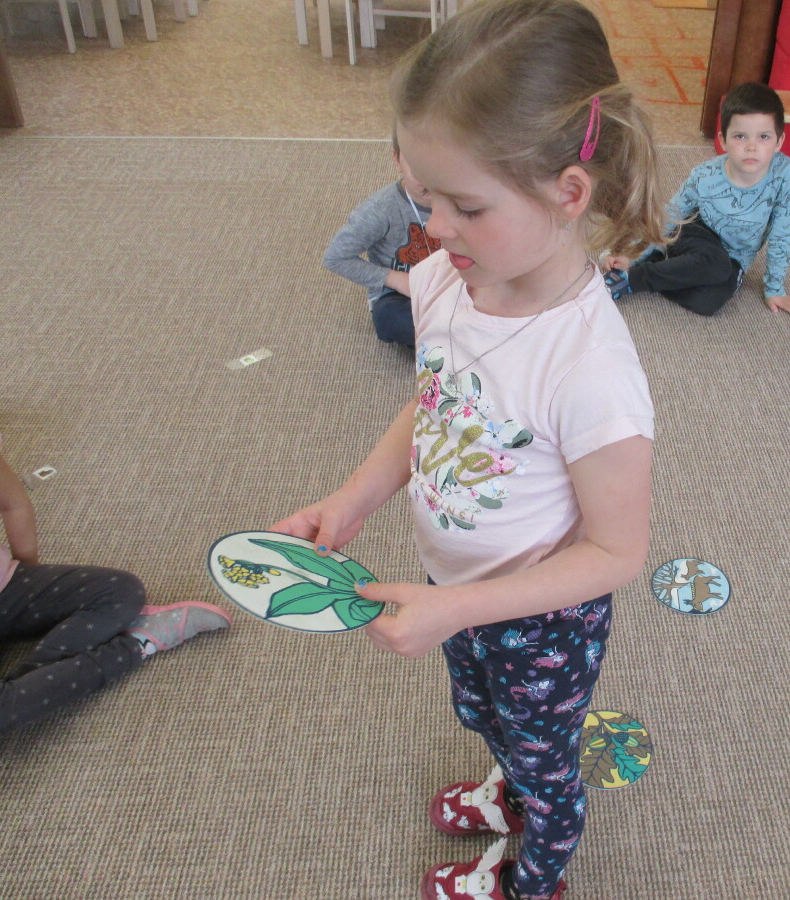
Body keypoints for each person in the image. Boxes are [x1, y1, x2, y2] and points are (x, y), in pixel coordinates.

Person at [271, 2, 666, 897]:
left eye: (466, 205)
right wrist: (356, 496)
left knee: (546, 762)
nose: (436, 227)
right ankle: (508, 788)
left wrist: (462, 608)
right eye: (426, 198)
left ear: (569, 193)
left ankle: (535, 876)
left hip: (540, 621)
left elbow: (618, 552)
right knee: (484, 715)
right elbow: (435, 402)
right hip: (453, 589)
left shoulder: (592, 370)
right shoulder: (446, 278)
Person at [0, 418, 230, 760]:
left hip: (3, 586)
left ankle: (9, 702)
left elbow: (13, 503)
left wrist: (30, 576)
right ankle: (133, 646)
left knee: (121, 591)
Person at [603, 81, 790, 319]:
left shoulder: (785, 174)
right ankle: (634, 278)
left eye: (763, 137)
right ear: (723, 140)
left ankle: (666, 265)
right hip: (696, 233)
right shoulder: (705, 175)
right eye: (740, 136)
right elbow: (674, 211)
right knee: (715, 264)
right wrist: (634, 256)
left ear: (779, 142)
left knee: (709, 302)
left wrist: (774, 289)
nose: (751, 147)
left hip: (736, 257)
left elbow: (783, 233)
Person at [322, 132, 442, 348]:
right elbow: (336, 258)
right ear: (397, 160)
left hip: (457, 281)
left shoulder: (465, 196)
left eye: (439, 166)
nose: (428, 178)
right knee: (390, 318)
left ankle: (452, 334)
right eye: (417, 166)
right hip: (401, 293)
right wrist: (395, 280)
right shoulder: (379, 210)